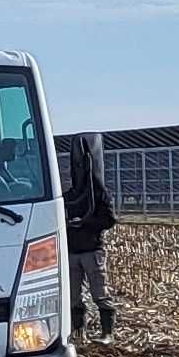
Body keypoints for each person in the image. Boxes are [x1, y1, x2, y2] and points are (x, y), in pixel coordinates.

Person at [65, 139, 116, 339]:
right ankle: (79, 333)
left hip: (92, 249)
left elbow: (109, 219)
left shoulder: (98, 194)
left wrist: (85, 223)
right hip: (73, 251)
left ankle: (107, 333)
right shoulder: (71, 195)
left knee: (100, 293)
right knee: (73, 297)